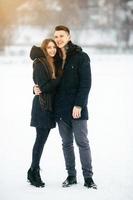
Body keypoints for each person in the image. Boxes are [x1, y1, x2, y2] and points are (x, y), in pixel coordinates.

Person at [34, 25, 97, 189]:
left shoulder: (81, 57)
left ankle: (88, 177)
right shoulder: (53, 58)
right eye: (56, 37)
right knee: (66, 143)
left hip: (77, 109)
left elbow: (86, 84)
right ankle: (71, 176)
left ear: (69, 36)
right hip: (60, 109)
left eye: (62, 36)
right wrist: (34, 88)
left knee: (82, 142)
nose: (59, 39)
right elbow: (45, 79)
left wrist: (79, 104)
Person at [27, 38, 61, 187]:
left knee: (41, 140)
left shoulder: (52, 63)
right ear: (44, 49)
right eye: (49, 48)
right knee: (40, 140)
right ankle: (34, 172)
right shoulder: (40, 63)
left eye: (54, 47)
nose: (52, 50)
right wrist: (60, 79)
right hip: (42, 107)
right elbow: (44, 86)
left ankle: (32, 170)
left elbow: (42, 87)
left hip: (48, 106)